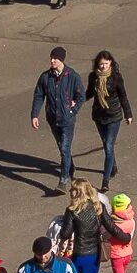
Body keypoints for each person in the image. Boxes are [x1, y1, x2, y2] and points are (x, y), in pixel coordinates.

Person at [31, 46, 86, 193]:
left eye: (55, 58)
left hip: (67, 120)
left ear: (61, 59)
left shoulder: (72, 76)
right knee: (62, 147)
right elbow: (38, 96)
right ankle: (70, 167)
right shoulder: (45, 77)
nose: (52, 60)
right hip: (53, 118)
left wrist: (72, 110)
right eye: (51, 58)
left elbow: (81, 96)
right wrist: (35, 115)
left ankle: (63, 181)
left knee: (64, 148)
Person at [86, 50, 132, 191]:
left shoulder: (116, 77)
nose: (103, 67)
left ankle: (105, 181)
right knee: (106, 144)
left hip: (113, 115)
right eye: (101, 64)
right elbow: (89, 93)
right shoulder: (93, 77)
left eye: (106, 64)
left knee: (109, 146)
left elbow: (123, 96)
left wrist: (128, 114)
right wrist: (77, 100)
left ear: (111, 62)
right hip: (99, 116)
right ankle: (113, 166)